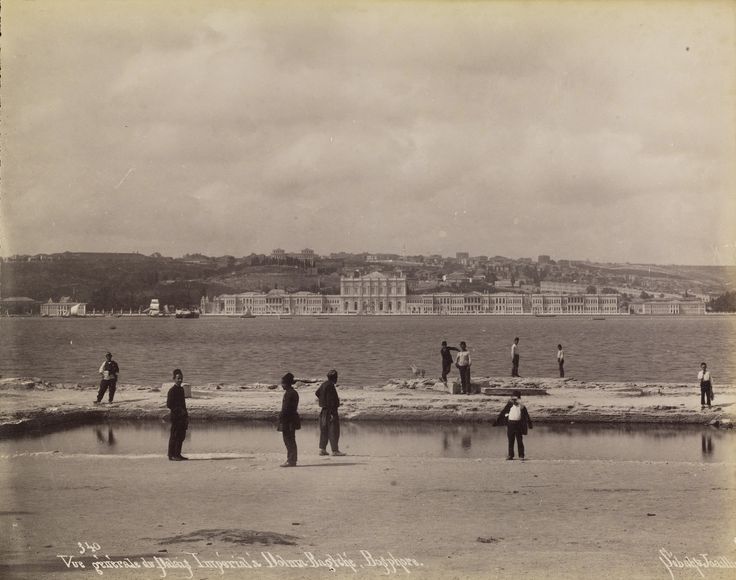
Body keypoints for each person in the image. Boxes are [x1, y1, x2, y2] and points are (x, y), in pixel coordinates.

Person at [494, 390, 533, 460]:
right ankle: (510, 455)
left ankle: (521, 455)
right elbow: (503, 413)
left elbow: (526, 415)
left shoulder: (522, 406)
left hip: (518, 425)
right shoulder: (509, 405)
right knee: (510, 441)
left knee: (519, 441)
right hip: (510, 424)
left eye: (516, 399)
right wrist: (498, 421)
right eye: (513, 399)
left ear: (519, 399)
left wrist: (529, 424)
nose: (514, 400)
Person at [315, 369, 345, 456]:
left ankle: (322, 449)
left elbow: (317, 393)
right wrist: (332, 412)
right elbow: (331, 400)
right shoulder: (331, 386)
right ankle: (335, 451)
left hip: (323, 411)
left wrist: (322, 400)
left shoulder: (324, 384)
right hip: (331, 411)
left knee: (324, 430)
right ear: (335, 378)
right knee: (333, 431)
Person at [278, 372, 300, 467]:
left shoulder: (289, 393)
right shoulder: (293, 392)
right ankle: (292, 460)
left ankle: (291, 460)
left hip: (288, 420)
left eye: (283, 383)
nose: (282, 385)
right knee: (291, 440)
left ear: (287, 383)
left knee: (288, 440)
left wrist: (280, 418)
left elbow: (286, 409)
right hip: (292, 419)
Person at [166, 369, 189, 461]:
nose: (180, 380)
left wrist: (186, 415)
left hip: (182, 417)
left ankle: (178, 454)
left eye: (181, 378)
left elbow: (183, 404)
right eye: (178, 378)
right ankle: (171, 455)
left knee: (181, 436)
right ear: (174, 379)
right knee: (174, 435)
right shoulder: (172, 390)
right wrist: (179, 411)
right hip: (176, 417)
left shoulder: (181, 389)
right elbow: (169, 404)